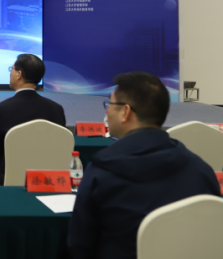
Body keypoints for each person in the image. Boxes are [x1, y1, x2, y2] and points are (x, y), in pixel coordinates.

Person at [68, 72, 220, 259]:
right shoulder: (201, 170)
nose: (107, 112)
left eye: (110, 105)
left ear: (125, 112)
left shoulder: (102, 171)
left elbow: (79, 245)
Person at [0, 54, 66, 185]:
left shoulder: (0, 110)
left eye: (11, 69)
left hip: (7, 182)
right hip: (47, 181)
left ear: (19, 74)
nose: (10, 73)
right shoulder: (56, 109)